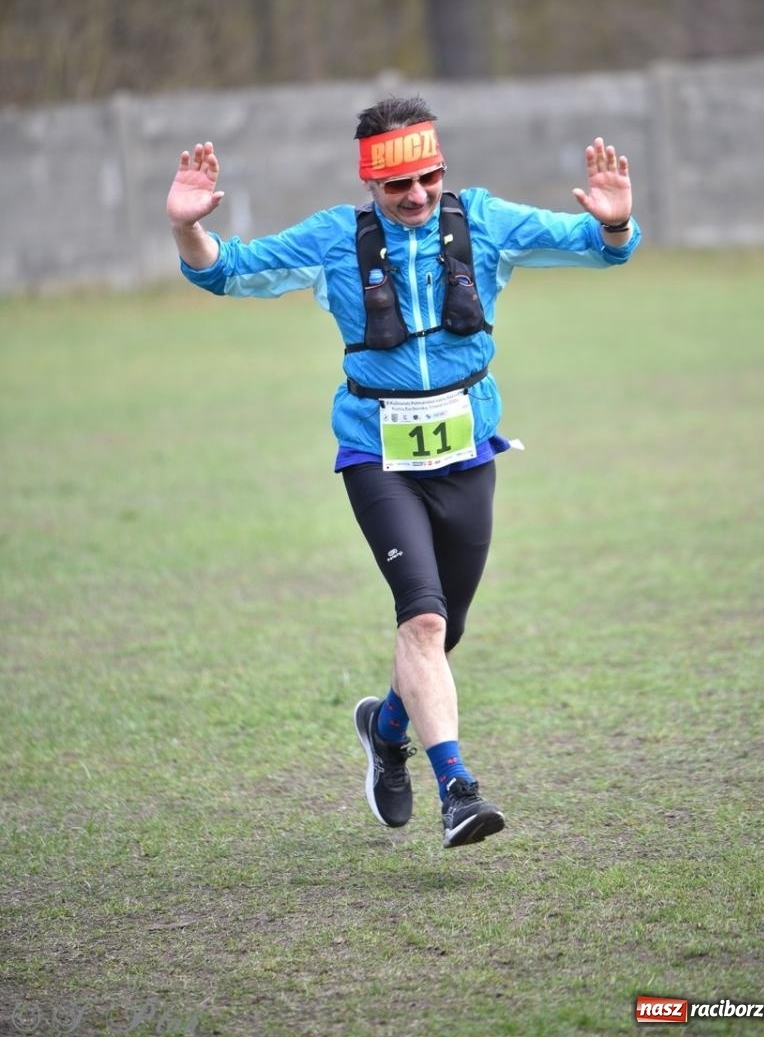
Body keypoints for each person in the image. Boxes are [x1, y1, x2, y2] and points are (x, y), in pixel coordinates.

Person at [166, 95, 640, 849]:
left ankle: (386, 731)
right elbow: (226, 272)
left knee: (444, 630)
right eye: (397, 186)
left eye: (427, 178)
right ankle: (458, 789)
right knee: (420, 617)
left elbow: (604, 246)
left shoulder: (481, 220)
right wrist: (189, 226)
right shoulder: (332, 241)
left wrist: (614, 219)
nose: (415, 195)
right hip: (375, 453)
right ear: (371, 188)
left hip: (467, 453)